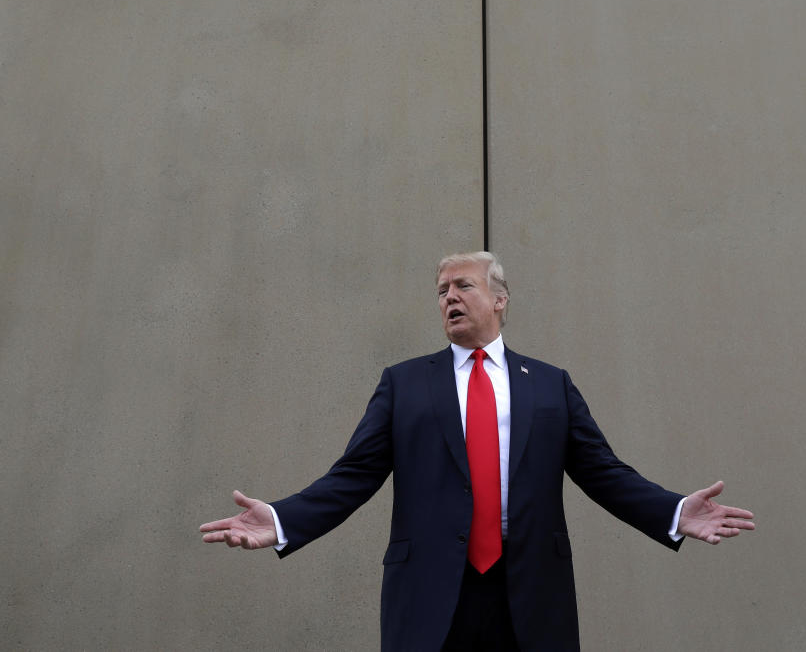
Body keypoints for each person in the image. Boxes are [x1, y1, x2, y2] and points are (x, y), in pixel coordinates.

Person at [200, 251, 755, 651]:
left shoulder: (550, 385)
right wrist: (280, 519)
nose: (449, 297)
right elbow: (354, 475)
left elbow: (604, 473)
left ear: (499, 299)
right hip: (432, 592)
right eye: (441, 291)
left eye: (463, 286)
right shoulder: (405, 383)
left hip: (530, 590)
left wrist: (676, 512)